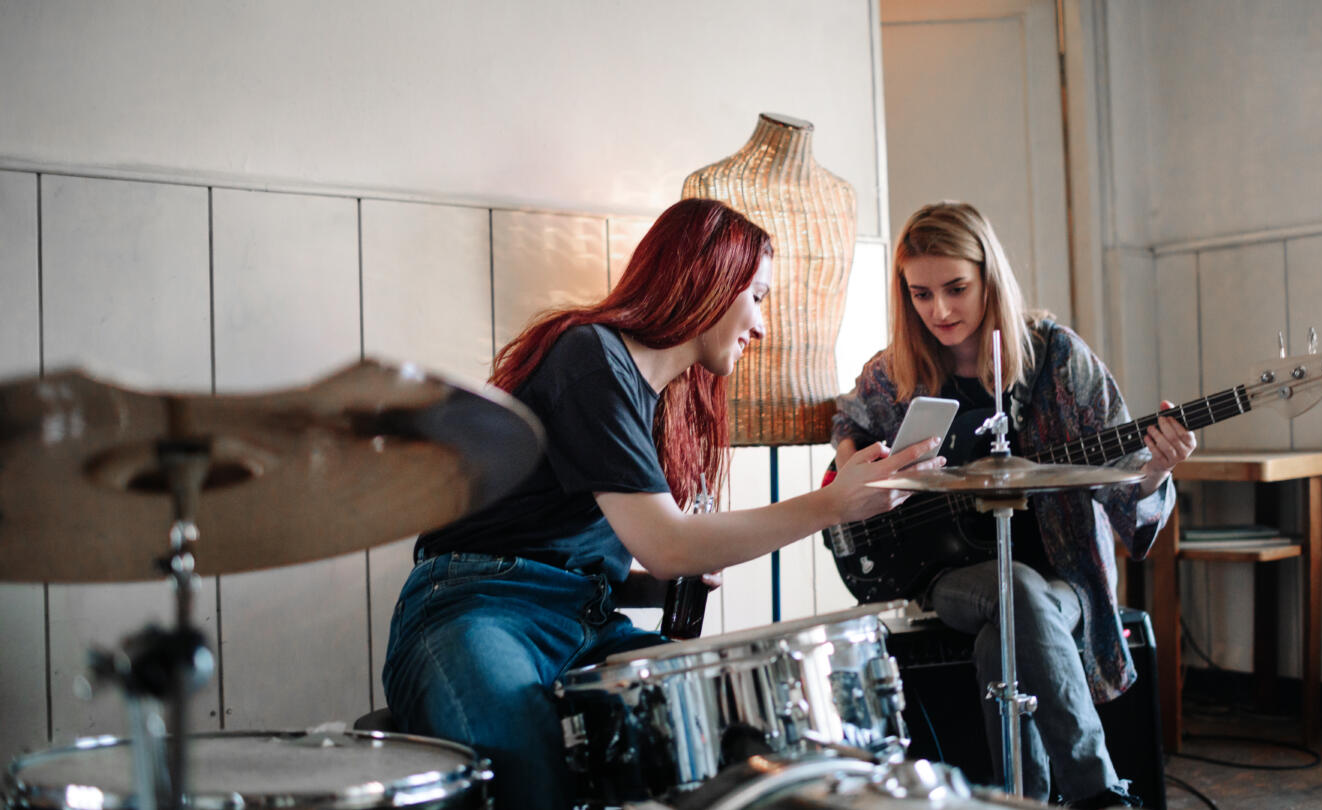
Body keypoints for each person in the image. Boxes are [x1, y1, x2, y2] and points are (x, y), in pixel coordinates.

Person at [382, 198, 942, 810]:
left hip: (581, 620)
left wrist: (651, 588)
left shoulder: (654, 402)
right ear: (708, 279)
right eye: (757, 296)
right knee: (529, 775)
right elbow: (667, 543)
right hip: (477, 608)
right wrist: (833, 504)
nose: (761, 326)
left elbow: (579, 553)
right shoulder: (590, 355)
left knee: (730, 737)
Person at [831, 202, 1196, 808]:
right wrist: (850, 460)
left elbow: (1123, 483)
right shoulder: (898, 369)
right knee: (1012, 587)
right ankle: (1100, 797)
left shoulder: (1058, 358)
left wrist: (1156, 467)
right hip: (944, 576)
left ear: (988, 278)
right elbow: (849, 416)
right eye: (920, 294)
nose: (939, 310)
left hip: (1065, 584)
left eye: (956, 289)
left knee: (1012, 613)